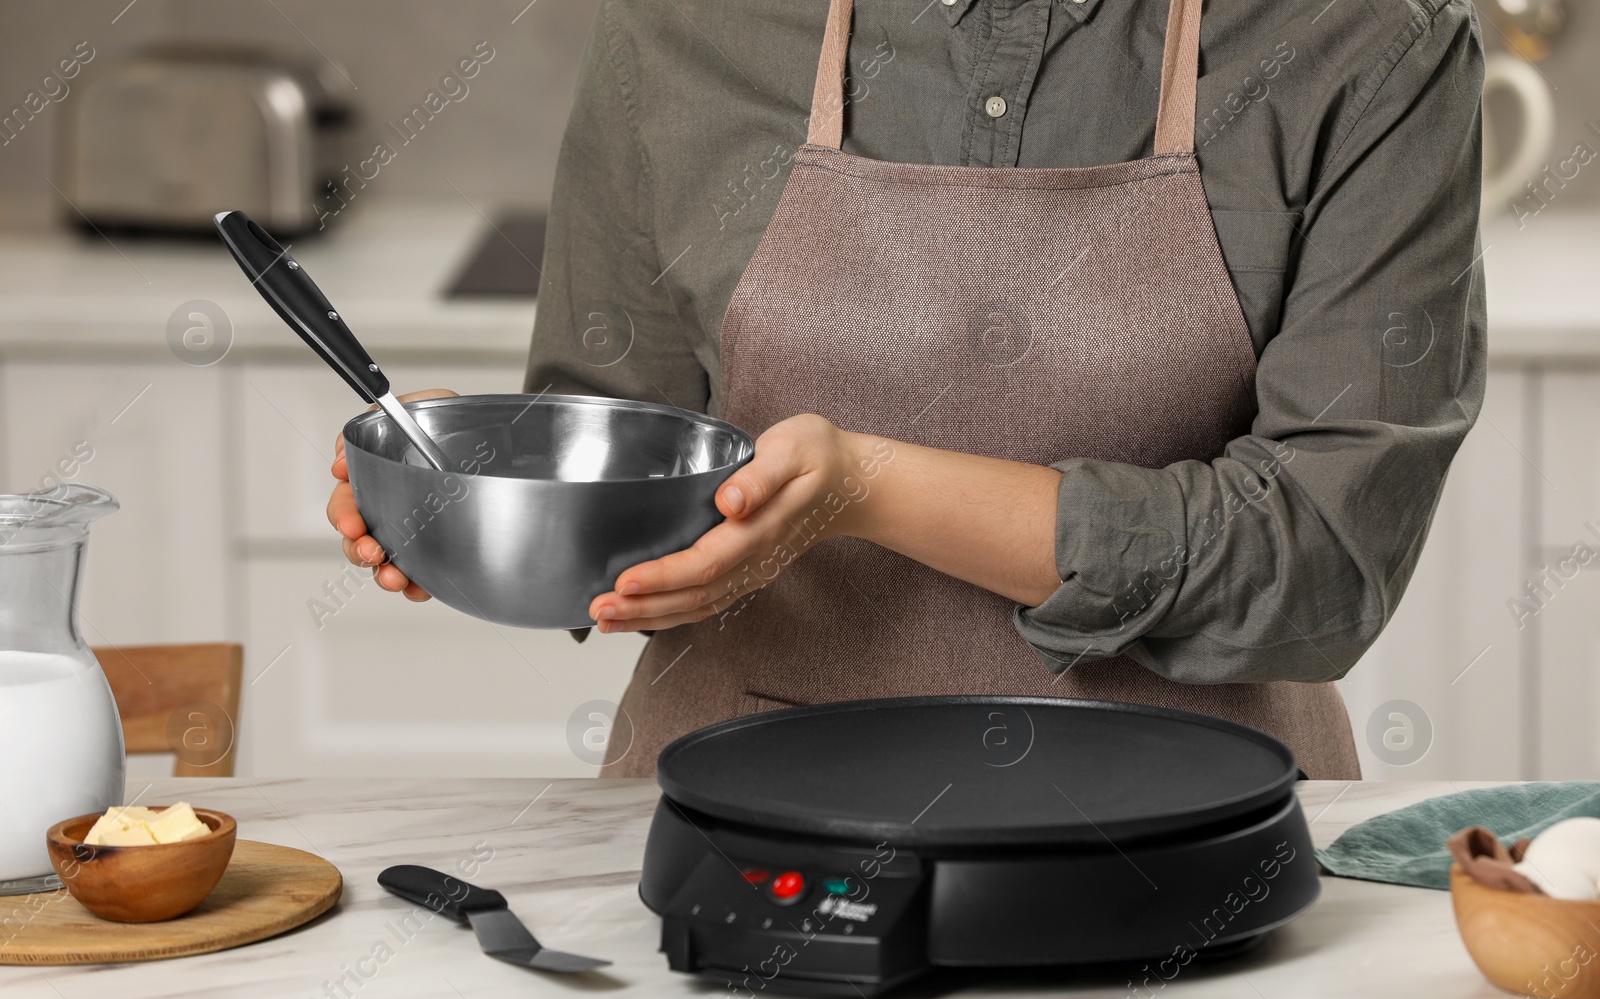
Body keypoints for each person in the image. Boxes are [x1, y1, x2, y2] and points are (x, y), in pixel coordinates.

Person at [327, 0, 1486, 779]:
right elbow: (624, 477)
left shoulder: (1366, 38)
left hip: (1195, 835)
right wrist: (473, 503)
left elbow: (1323, 566)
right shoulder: (685, 29)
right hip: (737, 826)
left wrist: (868, 485)